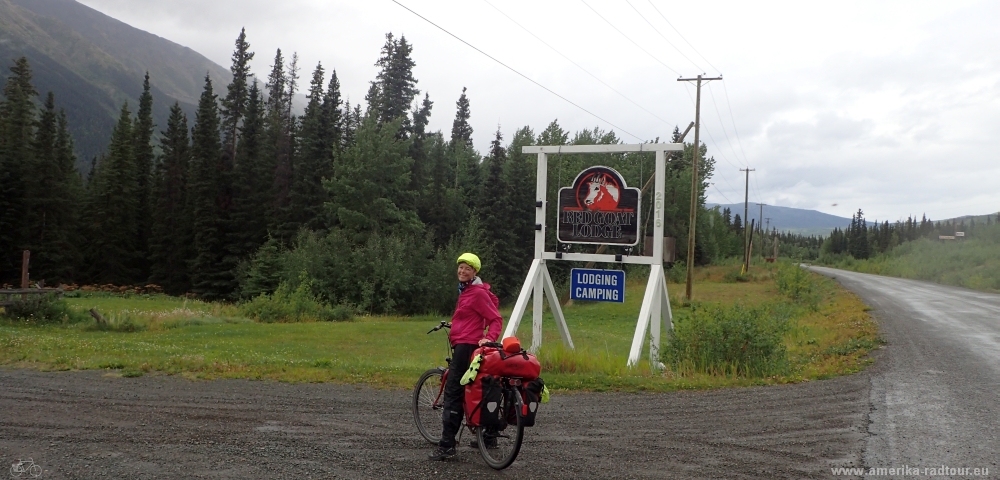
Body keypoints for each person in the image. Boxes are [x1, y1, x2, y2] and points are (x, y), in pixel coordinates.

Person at [428, 252, 504, 461]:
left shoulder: (476, 292)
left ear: (475, 272)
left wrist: (489, 338)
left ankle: (447, 446)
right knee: (480, 388)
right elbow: (473, 316)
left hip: (467, 346)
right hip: (466, 342)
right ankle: (488, 437)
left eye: (467, 268)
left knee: (454, 392)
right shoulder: (467, 291)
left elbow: (495, 319)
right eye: (460, 267)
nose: (462, 271)